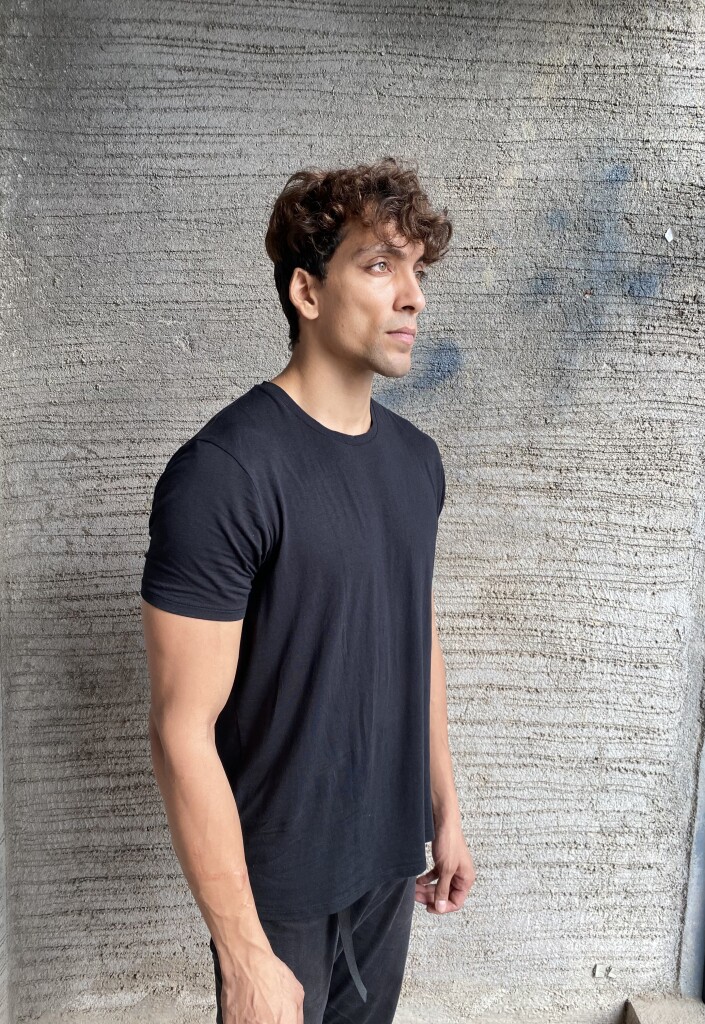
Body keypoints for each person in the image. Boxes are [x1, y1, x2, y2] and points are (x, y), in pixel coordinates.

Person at [140, 156, 476, 1024]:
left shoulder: (416, 463)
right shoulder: (224, 473)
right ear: (306, 291)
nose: (412, 297)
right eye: (379, 265)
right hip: (277, 888)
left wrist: (444, 809)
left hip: (387, 859)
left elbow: (414, 634)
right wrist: (243, 955)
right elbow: (180, 730)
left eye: (416, 270)